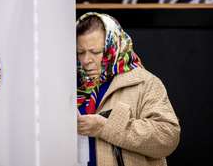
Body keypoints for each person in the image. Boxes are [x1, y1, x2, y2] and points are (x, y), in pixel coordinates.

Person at [76, 12, 180, 166]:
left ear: (114, 46)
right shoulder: (67, 85)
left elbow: (167, 136)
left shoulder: (144, 82)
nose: (86, 60)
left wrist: (104, 127)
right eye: (80, 52)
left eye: (96, 52)